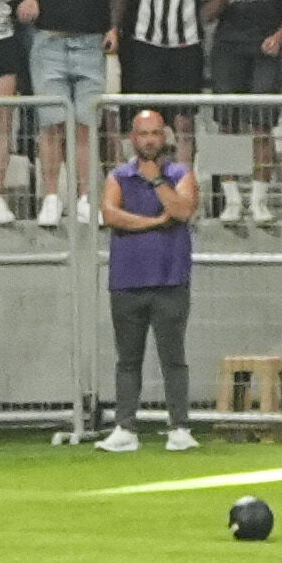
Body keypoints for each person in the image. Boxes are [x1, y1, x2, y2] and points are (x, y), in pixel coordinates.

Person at [97, 111, 200, 447]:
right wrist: (155, 223)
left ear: (165, 136)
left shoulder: (180, 173)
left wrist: (157, 182)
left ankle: (180, 428)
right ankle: (125, 429)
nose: (150, 139)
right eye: (144, 134)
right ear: (132, 137)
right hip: (126, 282)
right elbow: (110, 215)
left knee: (173, 357)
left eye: (156, 133)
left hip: (170, 280)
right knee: (128, 359)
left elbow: (184, 210)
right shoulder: (118, 176)